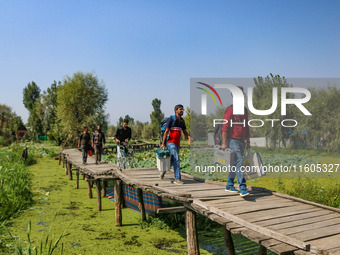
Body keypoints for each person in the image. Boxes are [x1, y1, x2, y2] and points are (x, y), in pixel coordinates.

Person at [220, 86, 250, 197]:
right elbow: (225, 127)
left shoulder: (244, 110)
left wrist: (248, 141)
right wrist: (224, 143)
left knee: (234, 164)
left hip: (242, 140)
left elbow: (246, 126)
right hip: (232, 140)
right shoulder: (230, 110)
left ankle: (229, 185)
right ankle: (243, 188)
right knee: (239, 163)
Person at [161, 104, 191, 184]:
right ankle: (177, 179)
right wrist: (163, 143)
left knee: (172, 160)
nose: (182, 111)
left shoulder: (182, 121)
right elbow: (166, 132)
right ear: (176, 110)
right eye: (180, 109)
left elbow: (184, 131)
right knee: (177, 159)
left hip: (177, 143)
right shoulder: (171, 119)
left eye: (182, 109)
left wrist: (188, 137)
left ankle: (163, 171)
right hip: (171, 143)